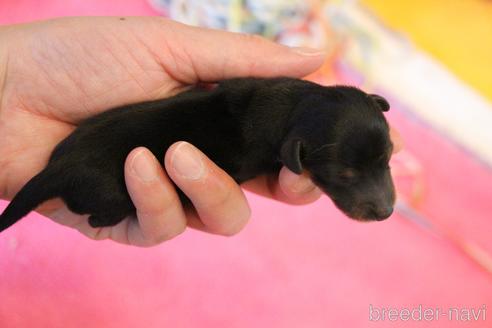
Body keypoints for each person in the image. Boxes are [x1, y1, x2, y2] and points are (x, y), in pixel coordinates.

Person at [0, 17, 402, 247]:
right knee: (131, 189)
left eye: (381, 161)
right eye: (346, 177)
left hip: (77, 148)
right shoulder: (259, 145)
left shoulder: (260, 102)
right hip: (89, 175)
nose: (383, 201)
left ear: (377, 106)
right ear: (296, 155)